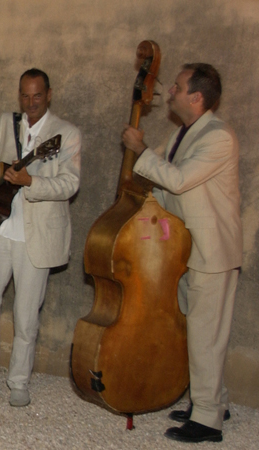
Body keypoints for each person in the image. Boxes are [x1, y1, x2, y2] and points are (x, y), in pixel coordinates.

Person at [121, 63, 239, 444]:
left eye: (178, 86)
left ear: (197, 97)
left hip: (212, 252)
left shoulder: (218, 137)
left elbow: (180, 179)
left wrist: (139, 150)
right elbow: (169, 189)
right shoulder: (182, 133)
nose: (169, 90)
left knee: (206, 335)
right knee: (195, 330)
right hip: (187, 249)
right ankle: (212, 401)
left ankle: (207, 421)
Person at [0, 69, 81, 407]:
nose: (30, 102)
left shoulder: (65, 134)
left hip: (35, 237)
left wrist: (30, 182)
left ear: (49, 95)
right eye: (24, 95)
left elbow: (70, 184)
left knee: (26, 315)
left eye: (37, 96)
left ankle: (19, 382)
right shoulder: (7, 123)